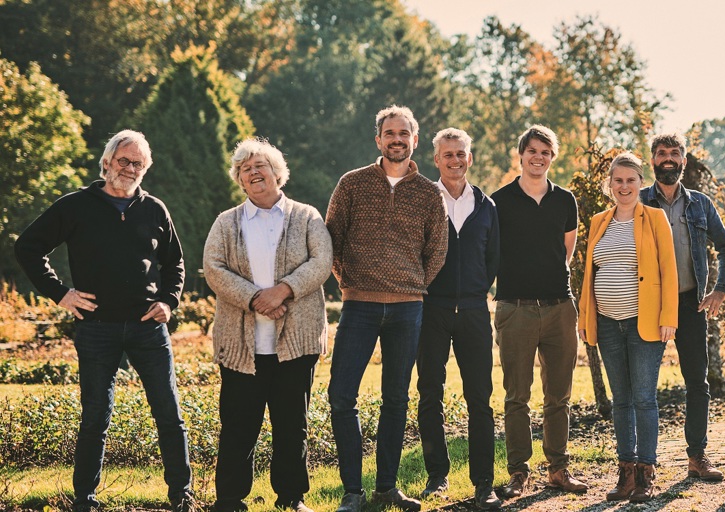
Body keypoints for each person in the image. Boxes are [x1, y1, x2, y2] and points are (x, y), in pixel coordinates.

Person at [14, 130, 196, 512]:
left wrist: (169, 301)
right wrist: (61, 293)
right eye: (124, 160)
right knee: (96, 414)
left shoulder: (155, 209)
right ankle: (85, 498)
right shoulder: (76, 206)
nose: (130, 169)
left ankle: (182, 495)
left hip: (149, 328)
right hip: (96, 328)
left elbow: (175, 262)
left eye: (138, 164)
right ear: (108, 162)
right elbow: (27, 247)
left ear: (145, 169)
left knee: (168, 412)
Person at [325, 105, 448, 512]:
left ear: (415, 139)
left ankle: (386, 488)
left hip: (407, 310)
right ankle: (352, 492)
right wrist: (348, 283)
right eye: (389, 133)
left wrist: (411, 287)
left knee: (396, 399)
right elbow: (331, 240)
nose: (397, 139)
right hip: (358, 306)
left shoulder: (430, 194)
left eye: (404, 133)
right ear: (378, 140)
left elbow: (437, 251)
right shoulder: (352, 184)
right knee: (342, 395)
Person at [203, 138, 332, 512]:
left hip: (296, 343)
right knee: (238, 426)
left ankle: (291, 498)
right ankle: (229, 499)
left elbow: (322, 261)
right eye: (245, 168)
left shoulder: (306, 216)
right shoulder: (226, 222)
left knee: (292, 426)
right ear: (240, 181)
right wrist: (254, 298)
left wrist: (283, 291)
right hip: (242, 345)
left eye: (260, 165)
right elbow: (213, 268)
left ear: (278, 173)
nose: (254, 172)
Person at [493, 125, 588, 497]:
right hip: (514, 308)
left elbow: (567, 252)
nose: (539, 158)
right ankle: (518, 472)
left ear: (553, 157)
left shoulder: (566, 201)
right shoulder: (499, 201)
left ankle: (558, 469)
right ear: (521, 155)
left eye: (546, 152)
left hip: (559, 307)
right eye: (533, 151)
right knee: (517, 396)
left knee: (559, 396)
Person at [578, 153, 678, 503]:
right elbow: (591, 275)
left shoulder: (655, 218)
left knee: (643, 398)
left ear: (640, 183)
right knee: (621, 400)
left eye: (630, 180)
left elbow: (668, 269)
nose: (624, 186)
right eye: (618, 180)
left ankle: (646, 475)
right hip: (607, 324)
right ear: (610, 183)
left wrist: (669, 317)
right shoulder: (598, 221)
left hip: (644, 325)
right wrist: (585, 319)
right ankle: (626, 474)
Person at [639, 133, 725, 481]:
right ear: (652, 161)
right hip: (648, 306)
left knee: (697, 383)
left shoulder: (700, 204)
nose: (668, 159)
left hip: (690, 303)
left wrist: (719, 290)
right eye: (661, 153)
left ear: (684, 160)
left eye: (674, 153)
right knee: (643, 385)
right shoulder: (637, 202)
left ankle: (697, 457)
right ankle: (642, 462)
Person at [415, 128, 502, 509]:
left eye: (460, 154)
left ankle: (484, 482)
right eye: (447, 155)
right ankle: (437, 476)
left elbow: (493, 259)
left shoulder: (486, 206)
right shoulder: (421, 201)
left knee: (480, 397)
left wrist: (476, 290)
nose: (455, 160)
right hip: (429, 310)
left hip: (473, 312)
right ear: (436, 160)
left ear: (470, 158)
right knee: (430, 393)